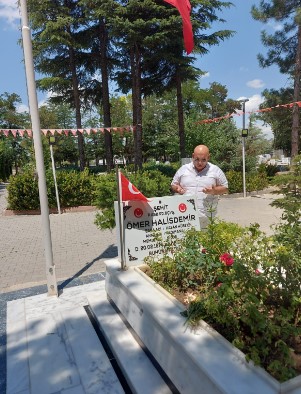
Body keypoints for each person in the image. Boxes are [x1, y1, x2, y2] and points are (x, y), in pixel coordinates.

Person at [171, 145, 228, 229]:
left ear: (208, 157)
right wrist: (177, 188)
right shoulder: (183, 169)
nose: (200, 163)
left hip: (206, 215)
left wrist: (214, 191)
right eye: (197, 159)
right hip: (185, 215)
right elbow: (173, 184)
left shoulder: (215, 170)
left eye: (203, 160)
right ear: (193, 156)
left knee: (205, 240)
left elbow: (225, 188)